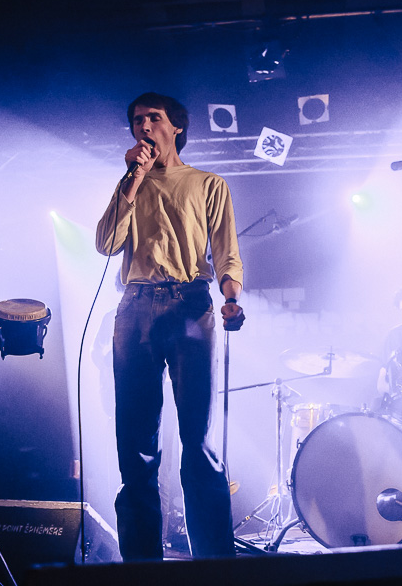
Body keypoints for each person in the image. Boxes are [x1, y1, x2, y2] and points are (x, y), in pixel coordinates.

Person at [96, 92, 245, 560]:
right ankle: (142, 566)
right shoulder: (130, 184)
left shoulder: (207, 183)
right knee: (136, 446)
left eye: (153, 118)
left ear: (176, 126)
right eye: (136, 120)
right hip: (135, 305)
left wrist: (232, 298)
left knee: (196, 442)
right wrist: (133, 178)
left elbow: (226, 251)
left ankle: (215, 566)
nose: (143, 126)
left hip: (190, 306)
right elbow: (105, 244)